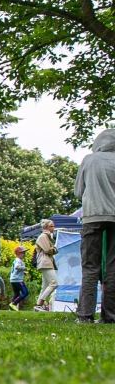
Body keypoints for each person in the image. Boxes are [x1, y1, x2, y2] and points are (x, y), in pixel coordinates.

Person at [75, 128, 115, 324]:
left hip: (92, 216)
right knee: (113, 266)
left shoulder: (89, 160)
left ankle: (85, 315)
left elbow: (78, 192)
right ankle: (110, 316)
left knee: (89, 266)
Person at [33, 219, 58, 311]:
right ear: (47, 227)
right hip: (45, 263)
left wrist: (53, 249)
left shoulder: (48, 236)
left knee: (45, 286)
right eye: (51, 226)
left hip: (47, 262)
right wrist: (54, 249)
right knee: (54, 283)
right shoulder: (43, 236)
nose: (53, 228)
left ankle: (37, 306)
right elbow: (49, 250)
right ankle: (39, 303)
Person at [9, 245, 29, 311]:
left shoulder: (16, 260)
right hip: (17, 280)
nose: (24, 254)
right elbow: (17, 267)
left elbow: (15, 270)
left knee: (16, 294)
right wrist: (23, 268)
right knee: (25, 292)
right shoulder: (18, 260)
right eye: (23, 253)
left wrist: (23, 272)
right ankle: (14, 304)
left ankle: (11, 307)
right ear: (18, 254)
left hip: (13, 279)